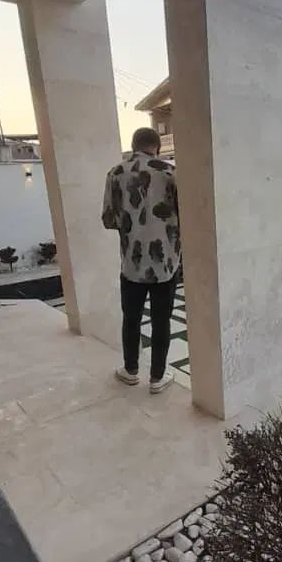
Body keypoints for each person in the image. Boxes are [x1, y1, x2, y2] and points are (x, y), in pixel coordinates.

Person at [102, 127, 181, 393]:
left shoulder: (115, 173)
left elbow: (108, 219)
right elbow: (187, 216)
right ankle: (157, 378)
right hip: (165, 265)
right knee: (161, 321)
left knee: (131, 318)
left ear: (134, 145)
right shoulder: (171, 173)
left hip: (132, 264)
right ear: (157, 147)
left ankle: (130, 370)